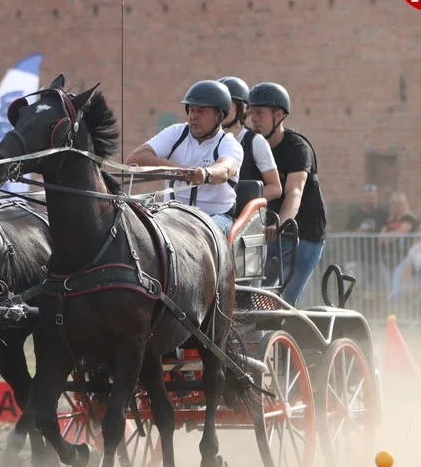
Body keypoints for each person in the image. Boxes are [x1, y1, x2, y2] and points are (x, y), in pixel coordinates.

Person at [126, 80, 243, 237]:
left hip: (215, 218)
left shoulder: (229, 144)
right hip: (171, 214)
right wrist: (176, 169)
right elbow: (136, 158)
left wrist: (205, 174)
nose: (193, 116)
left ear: (220, 115)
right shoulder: (176, 133)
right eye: (191, 110)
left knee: (202, 237)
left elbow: (225, 168)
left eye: (201, 111)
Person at [248, 82, 327, 307]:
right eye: (251, 113)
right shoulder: (253, 149)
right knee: (250, 297)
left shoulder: (297, 148)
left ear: (279, 114)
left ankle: (284, 338)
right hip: (270, 235)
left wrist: (281, 225)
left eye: (260, 113)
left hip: (305, 237)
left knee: (284, 303)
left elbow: (294, 192)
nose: (253, 118)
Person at [218, 76, 281, 205]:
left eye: (227, 104)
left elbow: (275, 188)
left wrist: (239, 201)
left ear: (242, 107)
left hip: (243, 217)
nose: (221, 109)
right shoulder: (206, 140)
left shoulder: (255, 141)